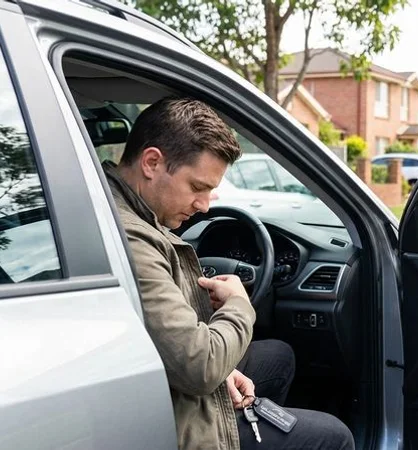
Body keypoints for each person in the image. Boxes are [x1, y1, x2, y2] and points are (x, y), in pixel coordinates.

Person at [103, 96, 354, 450]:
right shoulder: (133, 237)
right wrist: (238, 304)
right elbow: (201, 366)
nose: (205, 205)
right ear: (152, 162)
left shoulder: (115, 205)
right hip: (183, 421)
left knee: (279, 357)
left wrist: (222, 369)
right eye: (197, 187)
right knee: (334, 436)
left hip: (164, 385)